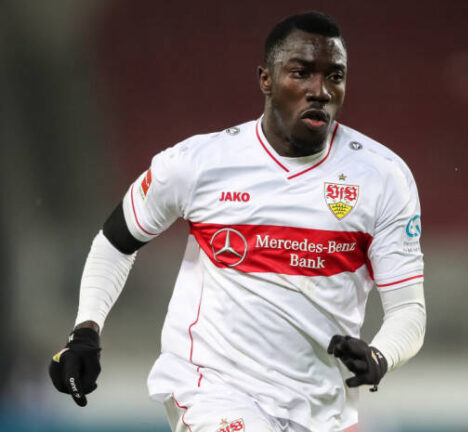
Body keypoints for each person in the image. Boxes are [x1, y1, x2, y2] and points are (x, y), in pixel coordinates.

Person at [49, 11, 426, 432]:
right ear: (266, 79)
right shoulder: (198, 163)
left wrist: (380, 356)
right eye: (301, 73)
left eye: (334, 76)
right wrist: (86, 331)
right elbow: (116, 242)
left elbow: (408, 310)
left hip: (323, 409)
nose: (319, 91)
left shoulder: (382, 178)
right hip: (213, 390)